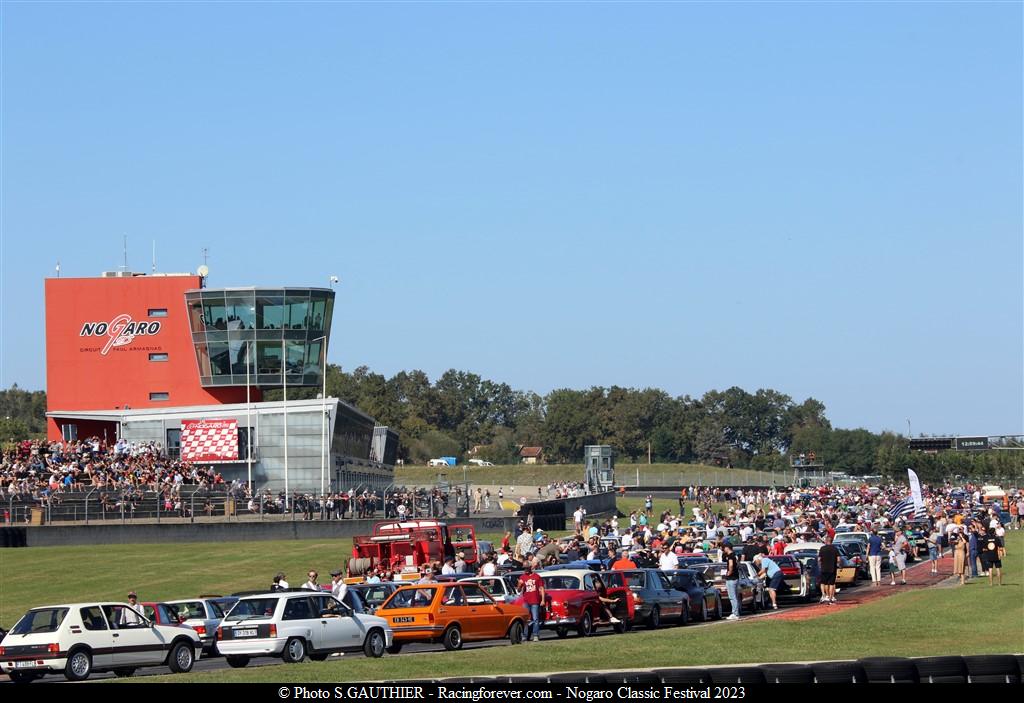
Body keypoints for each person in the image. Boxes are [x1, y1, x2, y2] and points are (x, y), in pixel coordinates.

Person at [517, 562, 546, 642]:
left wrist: (543, 600)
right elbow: (518, 590)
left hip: (535, 600)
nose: (525, 570)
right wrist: (519, 585)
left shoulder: (537, 577)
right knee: (525, 619)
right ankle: (524, 635)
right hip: (526, 600)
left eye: (526, 568)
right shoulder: (522, 577)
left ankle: (535, 635)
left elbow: (541, 588)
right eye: (524, 568)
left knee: (535, 619)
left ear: (530, 567)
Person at [817, 536, 840, 604]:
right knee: (831, 584)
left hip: (824, 568)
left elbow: (819, 559)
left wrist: (820, 565)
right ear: (831, 541)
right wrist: (838, 564)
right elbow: (838, 559)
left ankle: (826, 596)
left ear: (826, 541)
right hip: (832, 568)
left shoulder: (822, 548)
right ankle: (830, 598)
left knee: (825, 583)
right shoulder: (835, 549)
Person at [723, 543, 741, 620]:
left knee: (732, 597)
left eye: (724, 548)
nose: (724, 549)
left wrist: (729, 572)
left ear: (727, 548)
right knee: (735, 596)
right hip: (736, 577)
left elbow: (731, 565)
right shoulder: (735, 555)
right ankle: (736, 612)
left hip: (731, 578)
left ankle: (735, 613)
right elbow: (738, 564)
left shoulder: (730, 556)